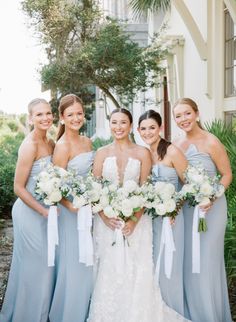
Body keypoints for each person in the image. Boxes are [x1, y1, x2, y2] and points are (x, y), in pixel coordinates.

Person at [88, 108, 190, 322]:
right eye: (114, 122)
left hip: (138, 223)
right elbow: (93, 191)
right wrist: (106, 218)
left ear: (130, 126)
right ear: (110, 124)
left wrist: (133, 221)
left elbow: (145, 190)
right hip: (106, 223)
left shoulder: (142, 153)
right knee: (109, 269)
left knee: (137, 270)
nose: (118, 127)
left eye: (123, 122)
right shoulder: (101, 153)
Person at [173, 97, 232, 322]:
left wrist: (212, 197)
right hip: (186, 211)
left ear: (196, 114)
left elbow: (227, 174)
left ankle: (210, 315)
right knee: (188, 262)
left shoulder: (211, 141)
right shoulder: (176, 144)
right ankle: (192, 314)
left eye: (187, 113)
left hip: (211, 210)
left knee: (206, 263)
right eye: (178, 116)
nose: (183, 119)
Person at [0, 98, 55, 322]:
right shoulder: (30, 145)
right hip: (30, 212)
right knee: (38, 264)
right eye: (39, 115)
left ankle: (38, 311)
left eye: (48, 113)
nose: (45, 118)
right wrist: (43, 211)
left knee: (45, 264)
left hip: (47, 211)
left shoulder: (50, 142)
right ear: (31, 118)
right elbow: (18, 188)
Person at [137, 109, 188, 316]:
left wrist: (174, 208)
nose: (147, 132)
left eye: (152, 127)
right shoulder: (143, 153)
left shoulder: (172, 151)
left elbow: (190, 185)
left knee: (170, 268)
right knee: (153, 267)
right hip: (150, 221)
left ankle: (173, 312)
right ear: (138, 131)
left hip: (172, 219)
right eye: (143, 128)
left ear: (161, 128)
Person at [49, 94, 93, 322]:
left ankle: (86, 312)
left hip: (89, 211)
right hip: (71, 214)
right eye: (70, 115)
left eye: (79, 113)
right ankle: (70, 314)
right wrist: (72, 206)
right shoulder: (62, 146)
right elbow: (55, 189)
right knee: (75, 263)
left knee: (89, 263)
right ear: (62, 118)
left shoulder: (87, 142)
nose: (76, 118)